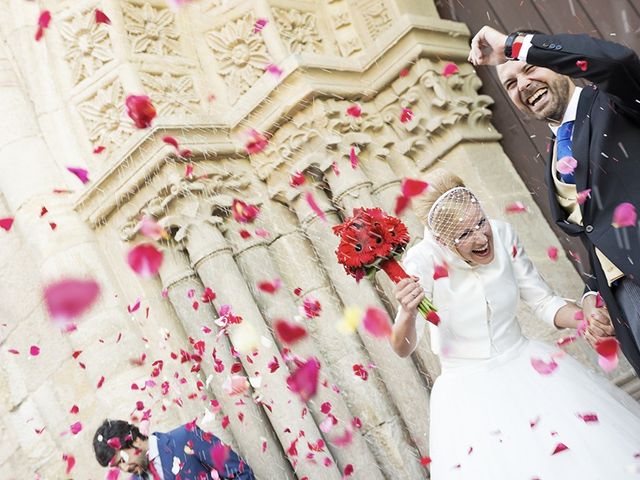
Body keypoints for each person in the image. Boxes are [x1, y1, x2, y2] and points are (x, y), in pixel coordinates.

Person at [390, 170, 640, 478]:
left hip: (528, 368)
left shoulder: (503, 234)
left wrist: (587, 317)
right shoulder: (421, 261)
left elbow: (543, 302)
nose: (482, 237)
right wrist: (406, 312)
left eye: (480, 222)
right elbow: (403, 348)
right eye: (465, 235)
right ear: (441, 239)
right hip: (468, 395)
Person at [468, 25, 640, 376]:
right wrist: (595, 294)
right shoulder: (553, 156)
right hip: (627, 306)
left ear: (558, 61)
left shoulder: (614, 101)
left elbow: (618, 61)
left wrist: (514, 46)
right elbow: (598, 230)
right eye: (511, 84)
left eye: (529, 69)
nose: (523, 85)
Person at [92, 419, 255, 479]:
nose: (125, 468)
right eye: (118, 466)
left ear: (133, 440)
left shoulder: (186, 437)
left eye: (122, 460)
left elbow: (242, 473)